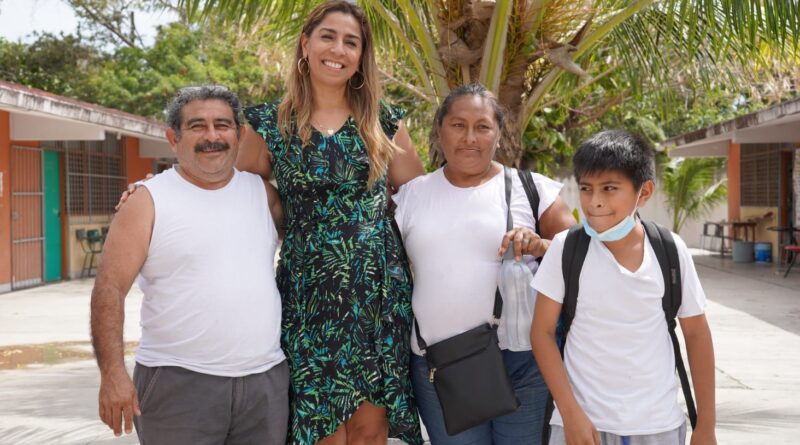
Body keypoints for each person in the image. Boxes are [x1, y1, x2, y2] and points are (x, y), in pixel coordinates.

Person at [238, 1, 425, 444]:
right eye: (328, 36)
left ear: (361, 57)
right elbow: (234, 195)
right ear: (305, 44)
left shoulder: (384, 122)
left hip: (376, 296)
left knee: (369, 431)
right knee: (317, 431)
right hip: (307, 294)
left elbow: (423, 200)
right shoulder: (268, 124)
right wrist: (157, 190)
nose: (338, 49)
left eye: (351, 42)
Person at [90, 85, 289, 444]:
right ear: (173, 138)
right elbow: (109, 288)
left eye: (222, 125)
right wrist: (112, 373)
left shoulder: (263, 194)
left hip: (264, 385)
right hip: (177, 384)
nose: (212, 136)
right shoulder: (147, 201)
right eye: (197, 126)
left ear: (240, 134)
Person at [392, 83, 576, 444]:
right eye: (458, 125)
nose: (469, 138)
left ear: (499, 134)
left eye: (482, 127)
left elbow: (581, 255)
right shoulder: (411, 196)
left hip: (522, 362)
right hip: (440, 364)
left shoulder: (530, 188)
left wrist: (539, 245)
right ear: (439, 129)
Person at [530, 130, 717, 445]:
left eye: (610, 188)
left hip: (657, 426)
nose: (595, 201)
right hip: (581, 426)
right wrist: (570, 413)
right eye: (586, 188)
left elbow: (696, 334)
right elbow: (542, 332)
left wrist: (706, 426)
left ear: (644, 192)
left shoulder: (670, 250)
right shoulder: (566, 248)